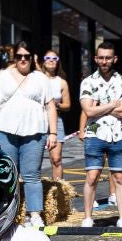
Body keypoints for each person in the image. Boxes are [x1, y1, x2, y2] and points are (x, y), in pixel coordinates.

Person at [0, 41, 57, 228]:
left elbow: (50, 106)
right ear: (14, 57)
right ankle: (8, 214)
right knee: (8, 174)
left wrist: (53, 132)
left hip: (35, 132)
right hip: (4, 131)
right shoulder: (3, 76)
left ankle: (35, 215)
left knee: (32, 175)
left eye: (27, 56)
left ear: (32, 58)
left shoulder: (41, 78)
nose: (23, 60)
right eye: (19, 56)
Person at [78, 43, 122, 228]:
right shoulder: (88, 82)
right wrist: (112, 105)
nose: (104, 61)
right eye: (101, 57)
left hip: (118, 134)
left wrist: (99, 106)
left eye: (108, 57)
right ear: (95, 59)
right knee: (92, 176)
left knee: (119, 177)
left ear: (114, 59)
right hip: (95, 134)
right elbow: (88, 111)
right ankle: (87, 217)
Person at [41, 49, 72, 182]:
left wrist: (55, 105)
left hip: (56, 121)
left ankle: (58, 191)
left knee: (56, 159)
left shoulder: (62, 82)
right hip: (38, 120)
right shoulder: (37, 78)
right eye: (48, 58)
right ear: (44, 61)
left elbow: (68, 105)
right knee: (34, 160)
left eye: (55, 58)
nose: (51, 60)